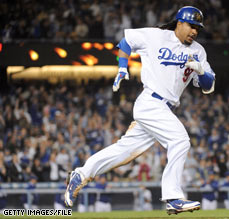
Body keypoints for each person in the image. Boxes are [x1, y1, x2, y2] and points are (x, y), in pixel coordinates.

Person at [64, 6, 215, 215]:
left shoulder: (198, 51)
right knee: (180, 140)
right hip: (150, 102)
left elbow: (208, 86)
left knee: (125, 151)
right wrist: (122, 67)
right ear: (179, 23)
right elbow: (126, 41)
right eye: (191, 26)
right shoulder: (156, 36)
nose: (195, 31)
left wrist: (201, 70)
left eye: (198, 28)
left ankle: (81, 174)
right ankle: (173, 197)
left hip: (165, 108)